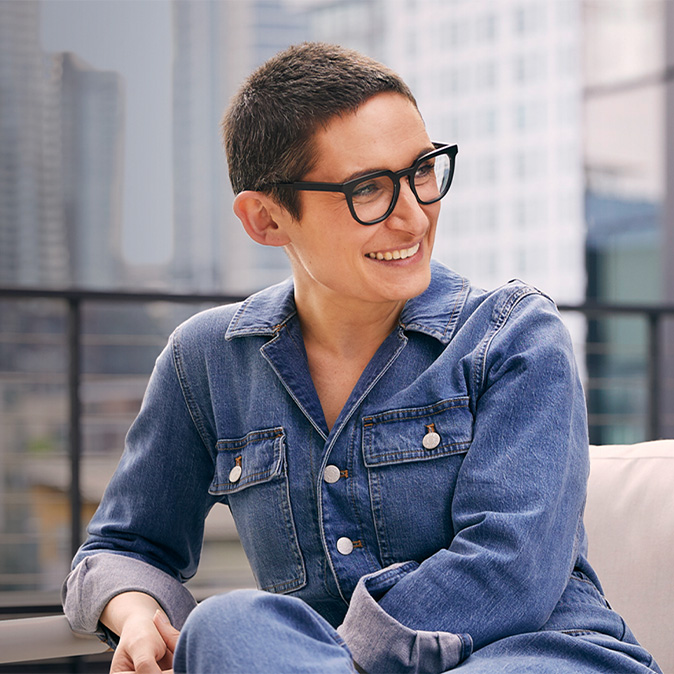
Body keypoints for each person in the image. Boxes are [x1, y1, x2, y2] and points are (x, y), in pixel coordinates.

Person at [62, 42, 662, 674]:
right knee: (226, 624)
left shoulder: (514, 336)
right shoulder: (207, 362)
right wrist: (133, 612)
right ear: (265, 219)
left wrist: (332, 657)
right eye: (368, 189)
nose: (413, 217)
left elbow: (511, 567)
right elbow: (121, 547)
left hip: (534, 656)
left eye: (423, 171)